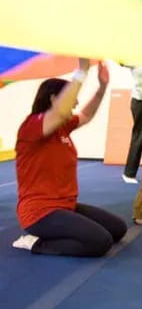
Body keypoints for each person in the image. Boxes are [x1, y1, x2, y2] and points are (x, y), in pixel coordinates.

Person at [12, 59, 127, 257]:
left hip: (65, 205)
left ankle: (61, 232)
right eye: (71, 97)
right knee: (100, 242)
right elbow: (60, 112)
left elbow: (86, 115)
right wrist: (81, 71)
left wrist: (102, 87)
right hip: (39, 212)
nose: (76, 102)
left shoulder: (62, 127)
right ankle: (36, 244)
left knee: (117, 229)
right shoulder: (32, 126)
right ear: (53, 98)